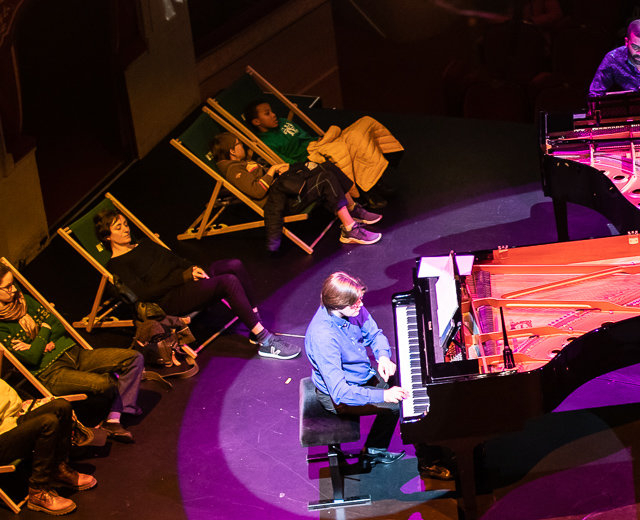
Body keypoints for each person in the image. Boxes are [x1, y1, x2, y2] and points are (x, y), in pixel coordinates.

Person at [97, 208, 300, 361]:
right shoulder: (116, 265)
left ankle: (254, 323)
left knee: (234, 265)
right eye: (118, 227)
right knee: (228, 282)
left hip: (186, 282)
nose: (126, 229)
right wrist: (183, 277)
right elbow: (144, 294)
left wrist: (193, 269)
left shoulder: (144, 243)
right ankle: (265, 341)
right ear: (107, 236)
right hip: (170, 299)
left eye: (125, 224)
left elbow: (175, 260)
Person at [306, 271, 449, 481]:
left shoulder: (351, 309)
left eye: (360, 300)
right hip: (341, 395)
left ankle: (374, 448)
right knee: (402, 404)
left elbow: (374, 334)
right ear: (337, 305)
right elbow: (341, 392)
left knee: (408, 379)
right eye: (355, 303)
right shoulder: (324, 337)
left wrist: (382, 356)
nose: (361, 305)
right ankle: (428, 462)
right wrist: (384, 396)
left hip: (362, 375)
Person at [0, 267, 144, 441]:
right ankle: (118, 408)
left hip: (74, 353)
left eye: (13, 284)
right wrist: (45, 330)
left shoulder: (24, 300)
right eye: (7, 287)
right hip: (51, 372)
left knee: (134, 358)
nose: (14, 289)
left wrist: (36, 342)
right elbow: (31, 357)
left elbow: (58, 325)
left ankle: (114, 417)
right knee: (105, 383)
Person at [210, 132, 381, 249]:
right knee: (326, 178)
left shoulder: (239, 163)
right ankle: (350, 230)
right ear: (232, 151)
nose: (242, 146)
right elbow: (257, 191)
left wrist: (281, 170)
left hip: (288, 192)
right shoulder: (233, 170)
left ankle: (352, 209)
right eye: (239, 144)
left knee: (327, 167)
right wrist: (271, 171)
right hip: (285, 203)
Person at [243, 100, 400, 204]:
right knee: (342, 151)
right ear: (257, 122)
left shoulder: (283, 122)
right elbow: (287, 163)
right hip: (310, 158)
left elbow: (307, 137)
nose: (273, 114)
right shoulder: (266, 142)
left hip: (318, 144)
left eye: (271, 111)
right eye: (267, 113)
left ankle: (375, 178)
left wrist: (321, 140)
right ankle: (367, 191)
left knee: (363, 127)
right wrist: (308, 160)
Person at [0, 377, 96, 515]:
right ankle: (38, 491)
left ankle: (58, 469)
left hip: (9, 422)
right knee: (48, 422)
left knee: (62, 406)